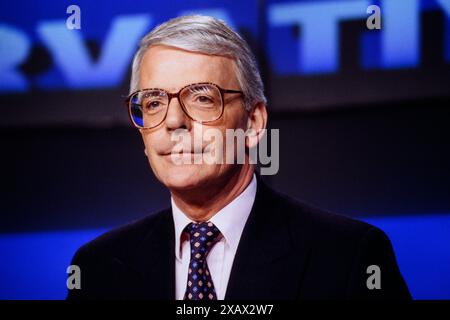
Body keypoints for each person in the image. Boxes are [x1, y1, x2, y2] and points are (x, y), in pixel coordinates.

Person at [67, 15, 410, 300]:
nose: (173, 121)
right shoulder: (98, 269)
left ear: (254, 122)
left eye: (202, 98)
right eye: (154, 102)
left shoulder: (350, 257)